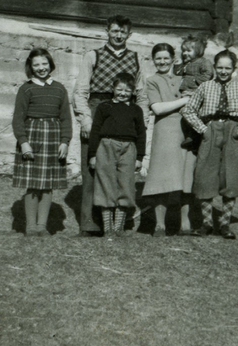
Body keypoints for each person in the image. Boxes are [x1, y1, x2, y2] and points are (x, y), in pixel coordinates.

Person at [181, 50, 238, 240]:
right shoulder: (205, 87)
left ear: (233, 69)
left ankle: (225, 224)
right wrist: (202, 129)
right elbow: (188, 110)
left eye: (227, 68)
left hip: (232, 133)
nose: (223, 71)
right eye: (219, 67)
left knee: (230, 177)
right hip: (210, 131)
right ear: (214, 67)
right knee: (205, 175)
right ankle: (206, 224)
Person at [73, 16, 146, 236]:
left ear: (129, 35)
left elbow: (141, 93)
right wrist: (85, 119)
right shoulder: (93, 55)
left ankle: (116, 223)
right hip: (97, 110)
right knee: (92, 168)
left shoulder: (135, 58)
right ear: (107, 31)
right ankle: (89, 222)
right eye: (114, 31)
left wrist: (142, 120)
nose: (118, 35)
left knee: (120, 172)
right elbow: (80, 91)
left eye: (123, 32)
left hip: (124, 114)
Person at [11, 48, 72, 237]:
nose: (41, 68)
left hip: (53, 139)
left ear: (50, 64)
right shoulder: (26, 88)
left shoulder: (59, 88)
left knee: (48, 184)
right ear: (30, 67)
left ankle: (41, 226)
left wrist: (64, 141)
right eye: (36, 65)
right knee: (33, 183)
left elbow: (66, 118)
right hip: (33, 137)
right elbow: (18, 119)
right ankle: (30, 227)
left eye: (44, 63)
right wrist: (23, 142)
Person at [141, 43, 196, 236]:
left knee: (185, 176)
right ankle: (160, 224)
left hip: (186, 130)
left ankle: (185, 223)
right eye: (158, 58)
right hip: (164, 131)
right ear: (153, 60)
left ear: (174, 59)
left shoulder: (184, 78)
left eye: (166, 58)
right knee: (162, 177)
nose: (162, 61)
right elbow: (157, 108)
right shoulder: (152, 81)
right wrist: (184, 101)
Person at [88, 72, 147, 237]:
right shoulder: (104, 107)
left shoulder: (136, 110)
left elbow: (141, 133)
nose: (122, 93)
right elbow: (95, 131)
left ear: (133, 92)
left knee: (126, 185)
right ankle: (108, 229)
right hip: (106, 146)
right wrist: (92, 154)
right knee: (105, 184)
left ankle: (118, 227)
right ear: (113, 88)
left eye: (127, 90)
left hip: (129, 148)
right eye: (119, 89)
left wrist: (139, 157)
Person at [174, 35, 213, 150]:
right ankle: (192, 135)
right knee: (186, 113)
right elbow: (178, 73)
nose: (185, 53)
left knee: (190, 112)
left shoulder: (203, 62)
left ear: (198, 51)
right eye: (184, 51)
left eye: (189, 51)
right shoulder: (187, 63)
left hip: (195, 92)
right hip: (186, 92)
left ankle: (194, 135)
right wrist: (178, 63)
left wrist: (196, 80)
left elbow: (208, 74)